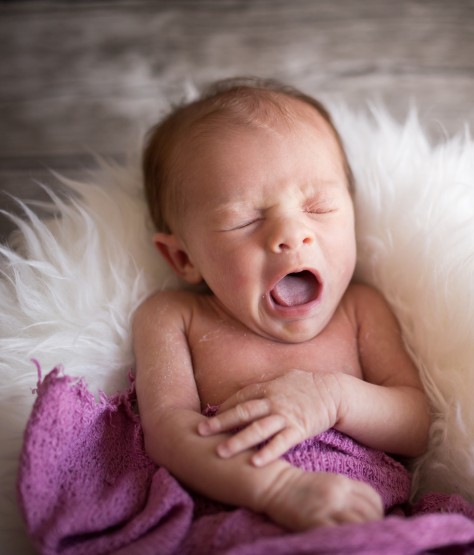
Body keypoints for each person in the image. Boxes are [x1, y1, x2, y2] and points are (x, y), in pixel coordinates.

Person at [132, 77, 431, 532]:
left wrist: (334, 398)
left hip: (366, 516)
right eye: (244, 219)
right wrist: (276, 489)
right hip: (236, 508)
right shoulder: (174, 318)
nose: (292, 234)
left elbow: (414, 422)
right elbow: (168, 433)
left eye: (319, 206)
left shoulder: (360, 310)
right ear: (183, 257)